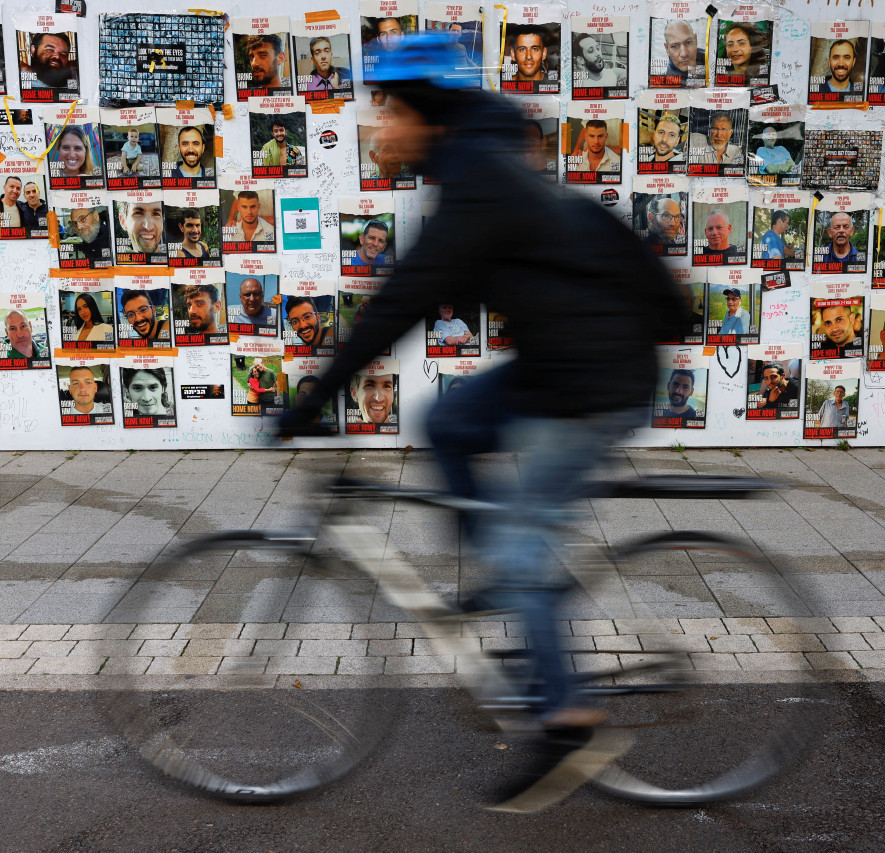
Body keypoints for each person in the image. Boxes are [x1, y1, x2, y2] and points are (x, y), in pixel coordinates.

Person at [280, 35, 687, 810]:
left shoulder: (481, 181)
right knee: (449, 420)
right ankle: (506, 580)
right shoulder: (476, 167)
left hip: (595, 384)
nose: (379, 127)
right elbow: (416, 287)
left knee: (522, 542)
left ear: (426, 113)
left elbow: (400, 300)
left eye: (388, 109)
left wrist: (308, 399)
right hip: (559, 363)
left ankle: (569, 721)